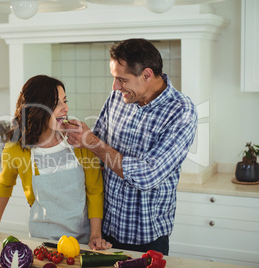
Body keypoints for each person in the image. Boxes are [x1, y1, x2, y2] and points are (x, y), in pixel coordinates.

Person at [65, 39, 198, 255]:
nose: (115, 87)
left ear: (147, 75)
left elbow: (148, 174)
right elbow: (96, 153)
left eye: (121, 79)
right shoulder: (118, 98)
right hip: (105, 232)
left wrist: (91, 142)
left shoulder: (182, 111)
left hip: (147, 239)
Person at [0, 75, 112, 250]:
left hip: (82, 241)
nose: (65, 108)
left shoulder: (78, 140)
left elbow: (95, 189)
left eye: (65, 101)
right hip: (41, 241)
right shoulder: (16, 149)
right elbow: (5, 184)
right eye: (56, 103)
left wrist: (95, 235)